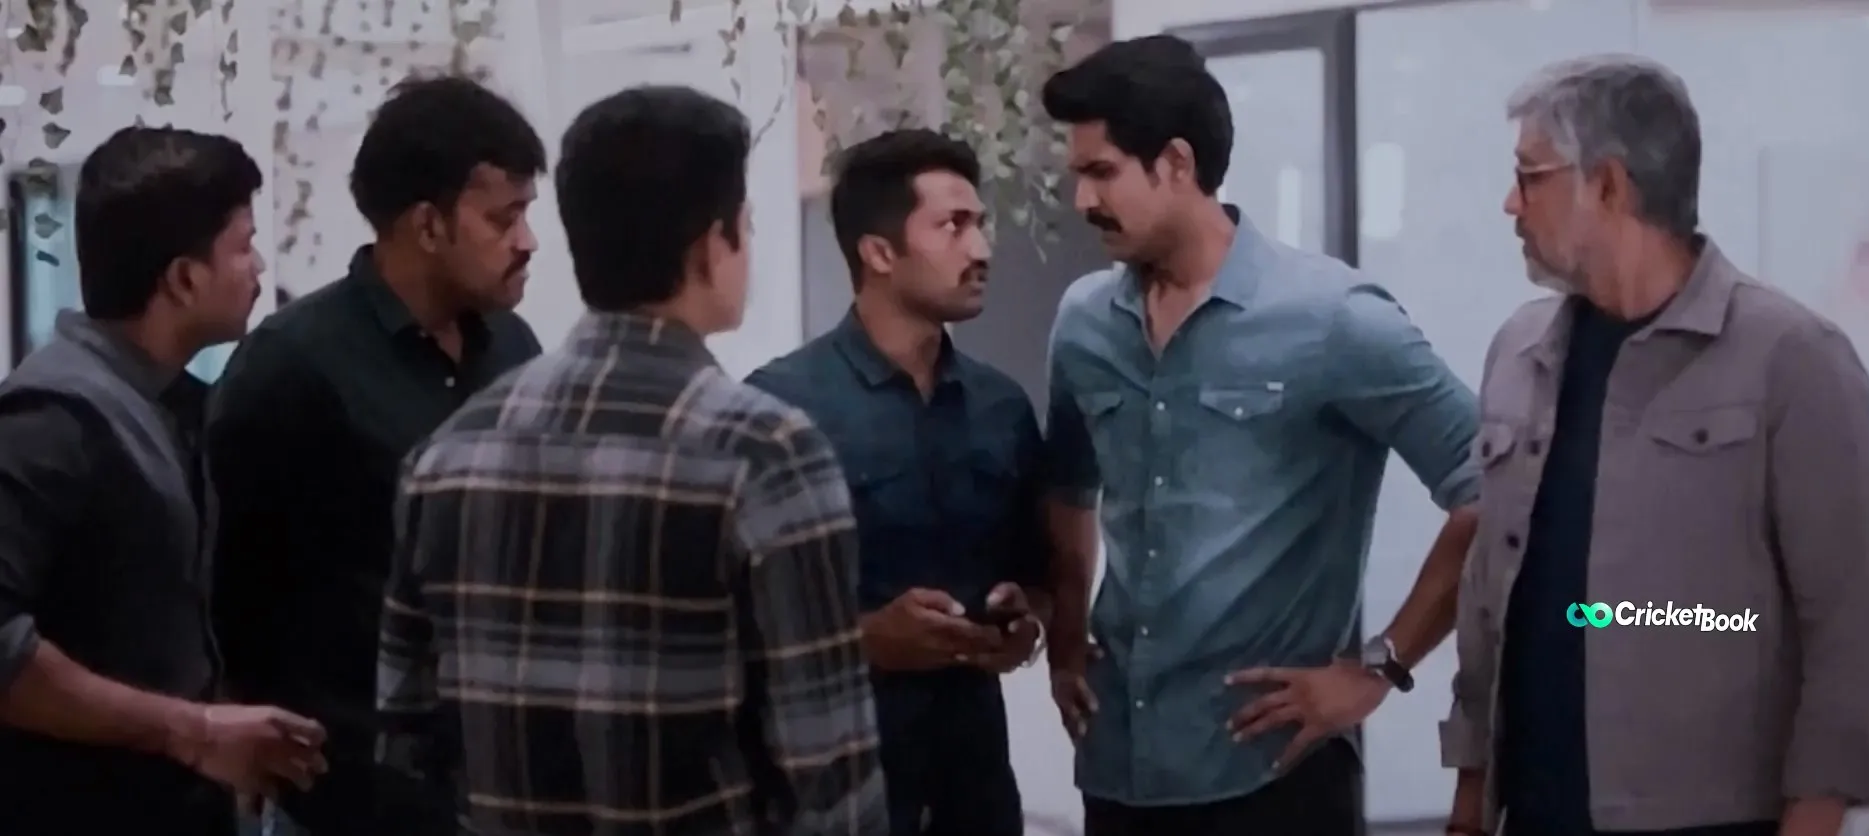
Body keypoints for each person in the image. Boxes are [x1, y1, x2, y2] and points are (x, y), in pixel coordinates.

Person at [375, 84, 888, 836]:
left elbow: (406, 735)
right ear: (712, 243)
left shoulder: (450, 453)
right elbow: (827, 771)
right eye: (745, 224)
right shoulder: (766, 453)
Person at [1442, 54, 1869, 836]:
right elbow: (1491, 602)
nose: (1511, 203)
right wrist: (1467, 803)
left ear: (1608, 185)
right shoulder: (1519, 351)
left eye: (1530, 176)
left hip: (1713, 816)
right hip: (1534, 811)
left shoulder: (1791, 358)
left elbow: (1851, 630)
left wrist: (1815, 817)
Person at [1038, 35, 1483, 836]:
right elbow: (1068, 487)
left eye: (1100, 171)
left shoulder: (1334, 319)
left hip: (1275, 776)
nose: (1081, 200)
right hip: (1118, 769)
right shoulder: (1083, 323)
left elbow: (1491, 490)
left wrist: (1380, 667)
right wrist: (1065, 635)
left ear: (1176, 163)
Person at [205, 74, 546, 836]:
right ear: (427, 225)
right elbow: (233, 592)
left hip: (500, 781)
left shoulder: (514, 348)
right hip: (350, 792)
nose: (527, 241)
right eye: (504, 218)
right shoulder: (292, 367)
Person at [0, 126, 328, 835]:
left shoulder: (164, 404)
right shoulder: (55, 418)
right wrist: (193, 731)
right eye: (242, 245)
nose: (258, 266)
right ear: (183, 277)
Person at [745, 128, 1045, 835]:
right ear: (878, 253)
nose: (981, 249)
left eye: (980, 224)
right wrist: (866, 639)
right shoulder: (780, 410)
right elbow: (726, 621)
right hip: (836, 791)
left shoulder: (1001, 407)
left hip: (976, 788)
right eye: (953, 226)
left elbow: (1036, 574)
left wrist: (1024, 621)